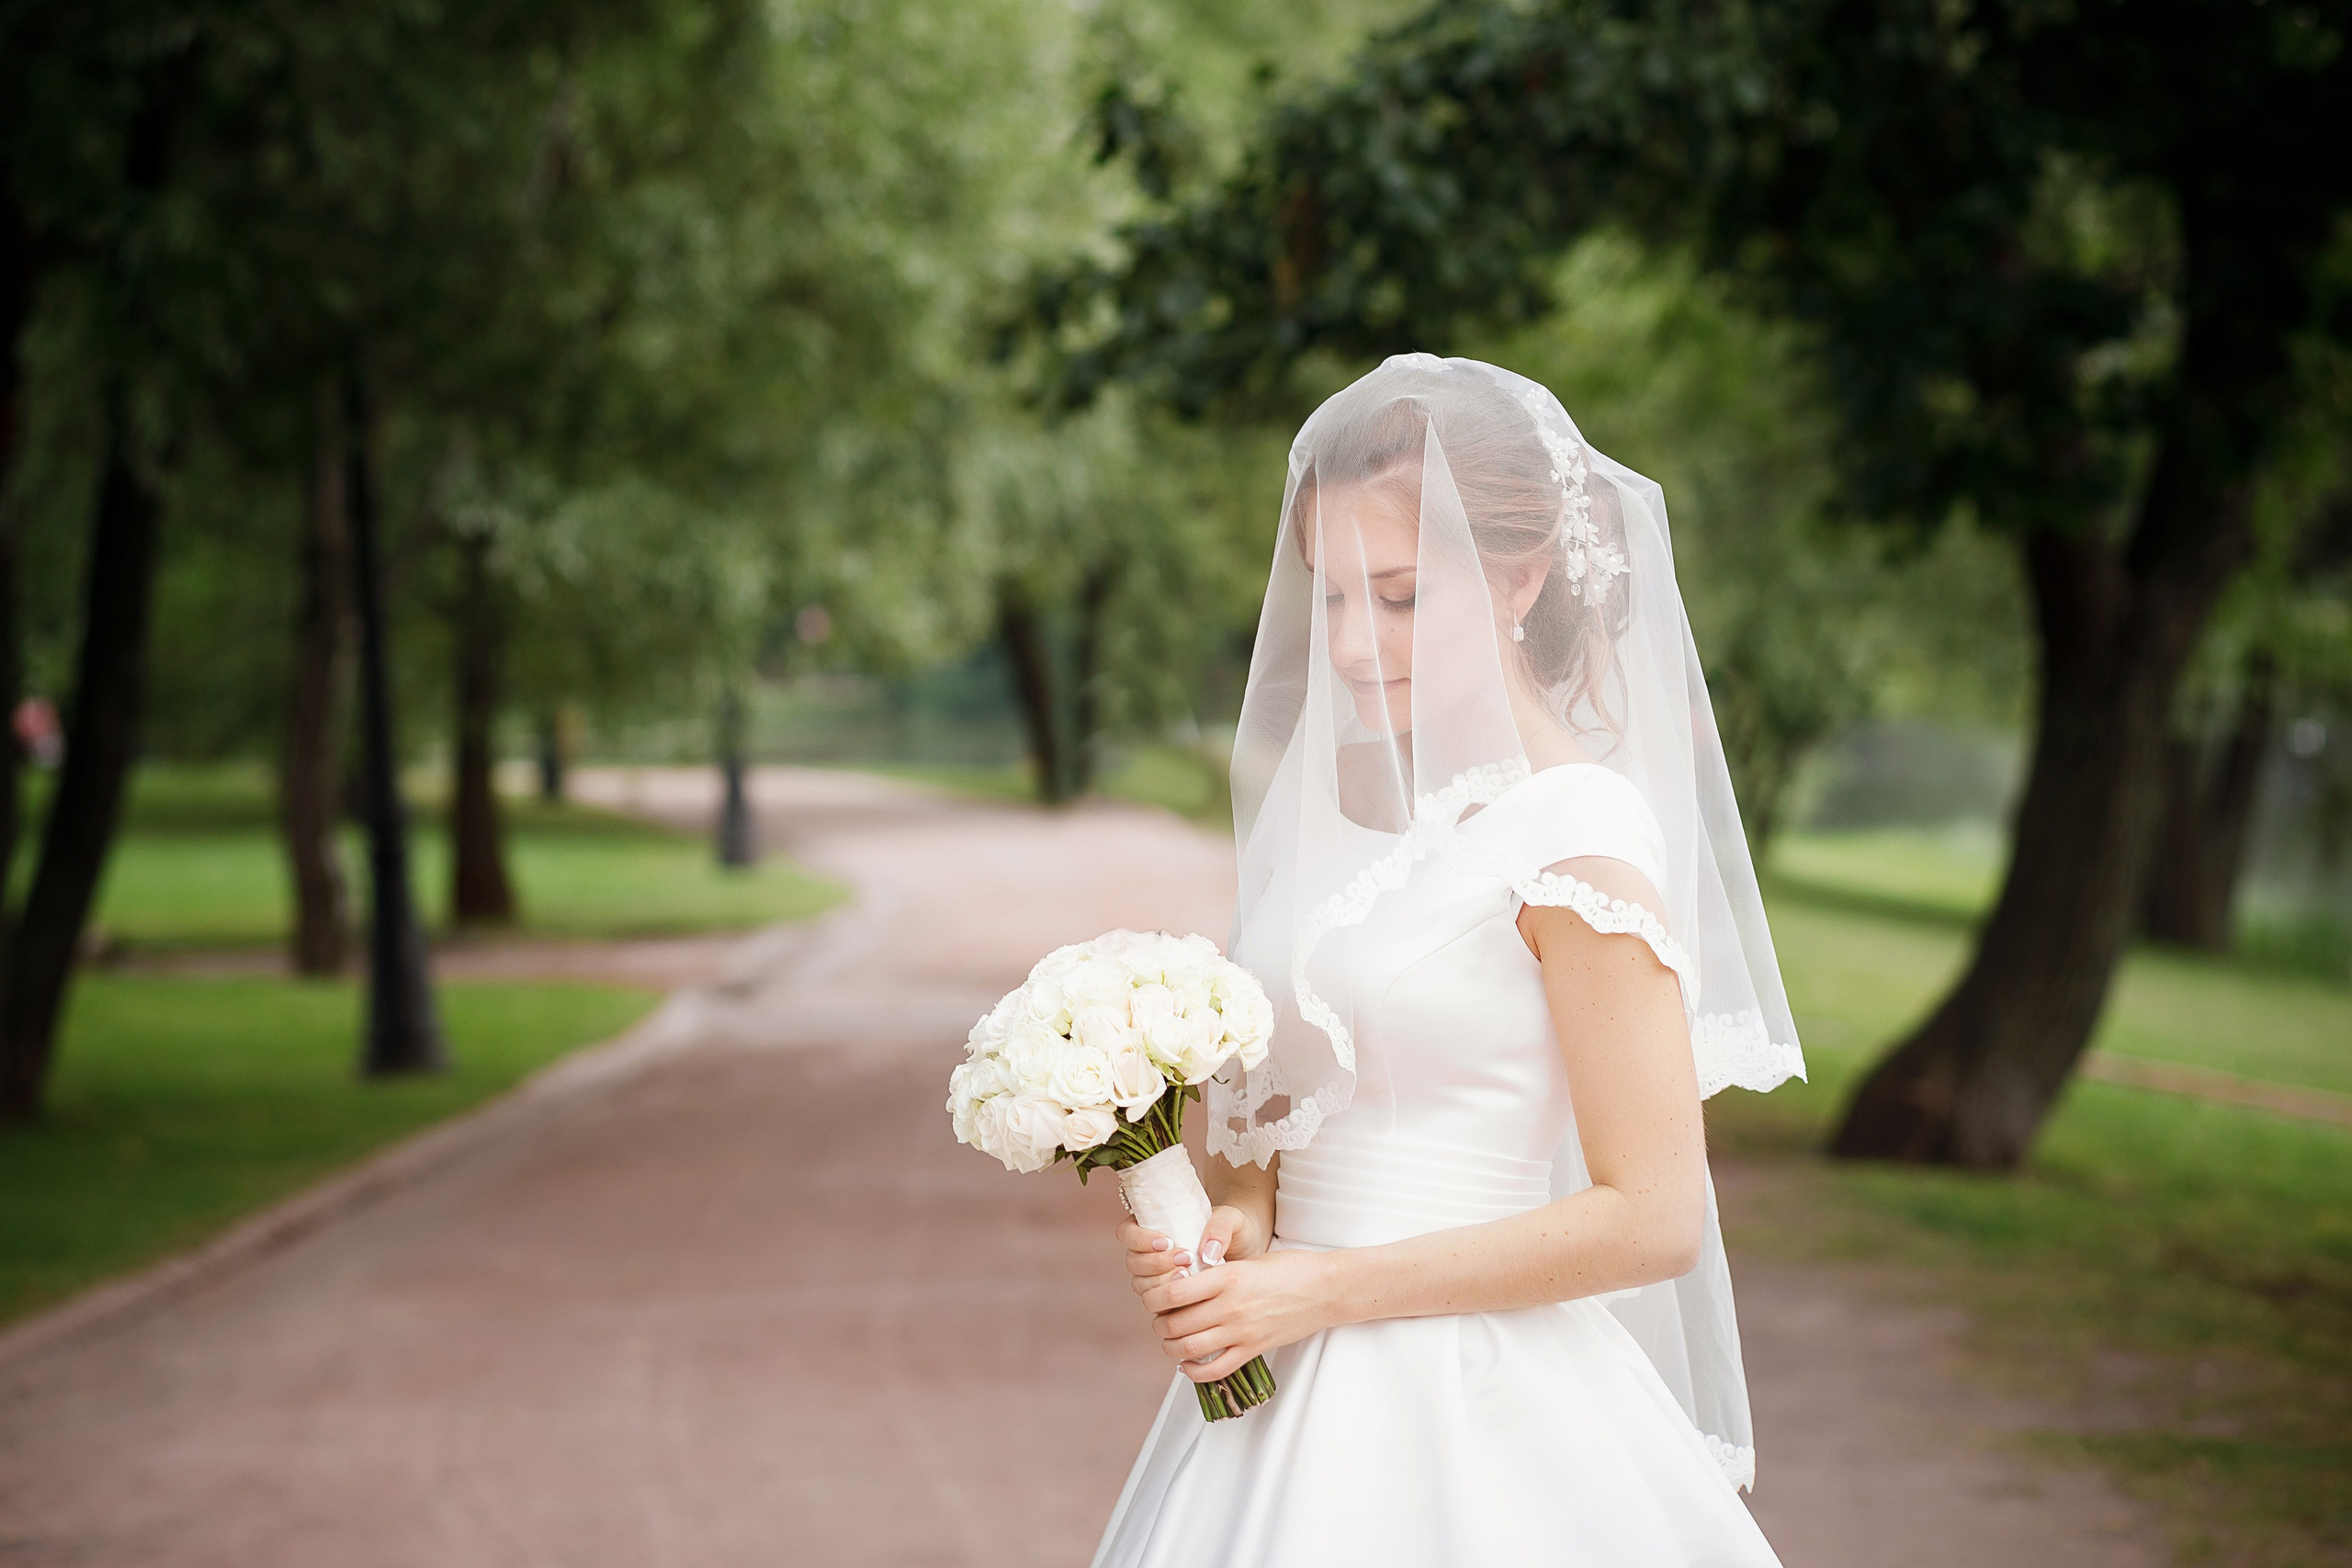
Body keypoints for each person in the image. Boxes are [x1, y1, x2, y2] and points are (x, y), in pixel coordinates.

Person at [1091, 355, 1807, 1566]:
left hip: (1471, 1403)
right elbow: (1294, 1108)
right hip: (1278, 1392)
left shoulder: (1575, 837)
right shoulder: (1339, 805)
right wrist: (1243, 1223)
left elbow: (1653, 1218)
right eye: (1332, 597)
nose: (1356, 646)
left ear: (1523, 578)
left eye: (1404, 597)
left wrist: (1320, 1293)